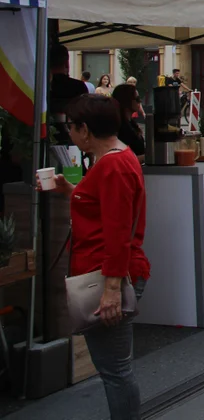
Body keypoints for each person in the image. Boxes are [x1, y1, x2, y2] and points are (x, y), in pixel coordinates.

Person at [39, 94, 150, 420]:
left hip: (106, 275)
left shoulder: (113, 165)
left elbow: (117, 232)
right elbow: (108, 210)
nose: (69, 133)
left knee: (115, 371)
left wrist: (112, 288)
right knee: (116, 368)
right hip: (108, 272)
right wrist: (71, 192)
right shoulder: (116, 158)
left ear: (85, 130)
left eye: (71, 127)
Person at [49, 45, 89, 146]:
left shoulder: (39, 87)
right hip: (73, 141)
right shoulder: (79, 87)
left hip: (40, 138)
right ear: (67, 62)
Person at [111, 85, 145, 162]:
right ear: (127, 100)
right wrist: (147, 157)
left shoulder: (131, 123)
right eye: (137, 99)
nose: (140, 101)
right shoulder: (119, 126)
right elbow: (120, 159)